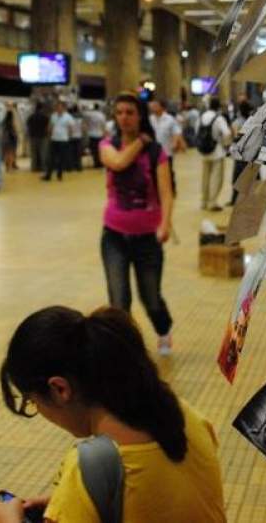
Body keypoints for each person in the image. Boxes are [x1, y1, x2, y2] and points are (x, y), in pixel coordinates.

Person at [0, 306, 226, 523]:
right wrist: (78, 503)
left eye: (33, 402)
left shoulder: (91, 465)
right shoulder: (185, 414)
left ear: (59, 389)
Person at [98, 93, 175, 356]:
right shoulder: (108, 144)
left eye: (130, 112)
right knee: (119, 300)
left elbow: (166, 192)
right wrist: (140, 141)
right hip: (114, 236)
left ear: (140, 115)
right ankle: (125, 348)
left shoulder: (157, 153)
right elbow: (118, 163)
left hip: (147, 237)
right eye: (119, 112)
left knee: (151, 297)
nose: (124, 118)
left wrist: (165, 223)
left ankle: (163, 329)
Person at [197, 97, 232, 212]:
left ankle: (203, 201)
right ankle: (212, 202)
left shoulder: (202, 116)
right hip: (216, 151)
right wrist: (226, 145)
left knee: (204, 177)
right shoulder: (219, 118)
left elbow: (197, 131)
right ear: (218, 107)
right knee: (217, 178)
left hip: (203, 151)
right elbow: (227, 133)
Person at [148, 98, 185, 196]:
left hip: (166, 151)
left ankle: (171, 190)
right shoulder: (150, 119)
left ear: (162, 107)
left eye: (156, 105)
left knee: (168, 172)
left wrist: (176, 143)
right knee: (153, 172)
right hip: (152, 151)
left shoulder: (169, 119)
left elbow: (177, 132)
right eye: (152, 105)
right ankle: (156, 191)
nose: (153, 107)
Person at [228, 99, 254, 206]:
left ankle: (234, 200)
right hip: (251, 153)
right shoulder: (253, 122)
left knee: (237, 177)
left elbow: (234, 137)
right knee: (253, 177)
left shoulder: (236, 123)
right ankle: (254, 200)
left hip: (239, 153)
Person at [43, 101, 73, 182]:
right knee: (51, 158)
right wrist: (49, 135)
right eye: (57, 107)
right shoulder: (53, 116)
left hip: (63, 140)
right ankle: (48, 175)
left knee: (61, 159)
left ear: (63, 108)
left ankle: (59, 175)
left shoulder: (68, 117)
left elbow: (71, 129)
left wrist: (69, 138)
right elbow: (50, 126)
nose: (58, 108)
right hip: (54, 139)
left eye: (60, 107)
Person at [26, 103, 50, 175]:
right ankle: (43, 168)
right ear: (41, 109)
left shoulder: (30, 117)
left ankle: (33, 167)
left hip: (33, 137)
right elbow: (48, 128)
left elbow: (28, 127)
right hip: (43, 137)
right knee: (43, 153)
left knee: (34, 153)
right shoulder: (45, 117)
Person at [83, 103, 106, 169]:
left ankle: (96, 163)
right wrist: (104, 134)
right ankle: (100, 163)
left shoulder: (89, 115)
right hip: (99, 134)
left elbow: (85, 122)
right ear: (99, 108)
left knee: (93, 150)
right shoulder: (102, 115)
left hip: (91, 134)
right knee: (100, 150)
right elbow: (103, 126)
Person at [1, 103, 20, 172]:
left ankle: (6, 167)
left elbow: (2, 129)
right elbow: (15, 130)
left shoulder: (4, 122)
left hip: (5, 139)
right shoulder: (12, 123)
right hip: (12, 139)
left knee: (6, 153)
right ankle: (10, 167)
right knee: (11, 153)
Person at [67, 106, 84, 172]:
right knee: (78, 153)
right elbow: (83, 128)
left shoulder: (69, 118)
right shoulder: (81, 118)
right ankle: (79, 167)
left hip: (71, 137)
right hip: (78, 136)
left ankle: (71, 167)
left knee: (71, 153)